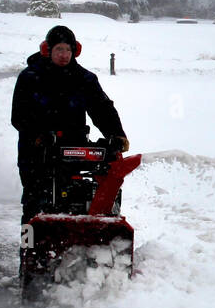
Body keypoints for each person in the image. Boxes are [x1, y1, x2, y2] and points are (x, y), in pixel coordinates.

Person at [11, 25, 128, 223]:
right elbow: (19, 116)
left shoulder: (84, 79)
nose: (64, 55)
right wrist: (40, 134)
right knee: (34, 202)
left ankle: (84, 234)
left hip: (73, 147)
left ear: (75, 51)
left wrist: (116, 134)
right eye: (59, 49)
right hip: (36, 150)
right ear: (47, 50)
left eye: (68, 50)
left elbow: (102, 108)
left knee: (78, 193)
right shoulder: (30, 77)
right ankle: (28, 245)